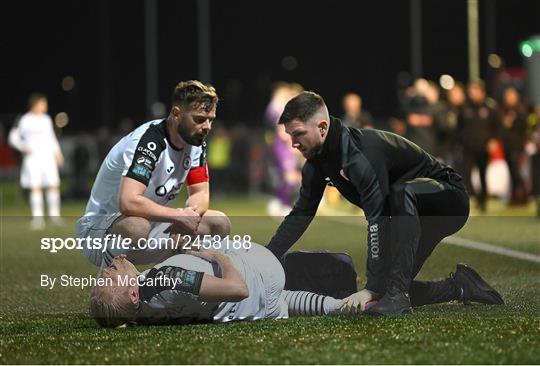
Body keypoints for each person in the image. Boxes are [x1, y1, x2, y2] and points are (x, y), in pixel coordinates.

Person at [266, 91, 503, 316]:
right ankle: (459, 286)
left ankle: (397, 296)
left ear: (322, 127)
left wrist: (372, 286)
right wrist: (266, 257)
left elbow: (377, 216)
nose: (293, 143)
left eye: (298, 133)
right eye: (290, 136)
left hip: (448, 198)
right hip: (407, 212)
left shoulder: (358, 155)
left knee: (401, 195)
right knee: (384, 291)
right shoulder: (316, 165)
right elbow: (300, 215)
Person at [76, 80, 231, 268]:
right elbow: (128, 202)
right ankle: (108, 286)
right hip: (99, 234)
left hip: (149, 227)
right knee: (137, 226)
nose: (207, 127)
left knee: (218, 222)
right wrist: (178, 216)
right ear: (176, 114)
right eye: (199, 119)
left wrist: (189, 216)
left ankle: (173, 285)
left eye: (210, 119)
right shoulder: (149, 141)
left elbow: (200, 193)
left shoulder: (196, 143)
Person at [89, 243, 344, 327]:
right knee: (223, 245)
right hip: (261, 277)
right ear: (134, 294)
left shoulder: (135, 314)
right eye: (113, 270)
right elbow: (238, 289)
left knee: (282, 300)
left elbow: (115, 311)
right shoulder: (165, 280)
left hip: (252, 307)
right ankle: (337, 304)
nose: (118, 259)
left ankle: (337, 306)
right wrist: (218, 257)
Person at [8, 93, 64, 230]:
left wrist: (58, 153)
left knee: (53, 185)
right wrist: (23, 147)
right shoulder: (24, 119)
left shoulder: (46, 119)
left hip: (48, 157)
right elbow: (13, 137)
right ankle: (38, 219)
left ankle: (54, 216)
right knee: (35, 187)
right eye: (43, 103)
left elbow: (51, 138)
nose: (45, 106)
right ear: (36, 104)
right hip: (33, 158)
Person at [457, 80, 500, 212]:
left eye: (475, 91)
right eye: (471, 91)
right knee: (465, 173)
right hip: (468, 147)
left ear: (482, 92)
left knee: (482, 174)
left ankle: (483, 201)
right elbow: (458, 128)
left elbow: (497, 127)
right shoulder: (464, 108)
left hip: (483, 147)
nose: (472, 93)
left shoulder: (490, 108)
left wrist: (493, 140)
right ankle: (471, 198)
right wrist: (460, 143)